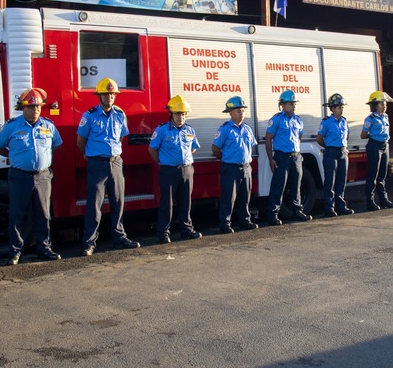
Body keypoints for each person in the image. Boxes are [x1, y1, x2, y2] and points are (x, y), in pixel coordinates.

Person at [0, 88, 62, 265]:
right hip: (20, 176)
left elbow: (56, 144)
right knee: (18, 215)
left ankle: (44, 249)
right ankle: (15, 252)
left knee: (44, 215)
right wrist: (14, 156)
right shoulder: (12, 126)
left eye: (38, 106)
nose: (35, 110)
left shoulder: (48, 125)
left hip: (43, 176)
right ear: (23, 108)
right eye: (31, 107)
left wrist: (43, 160)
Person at [77, 77, 140, 255]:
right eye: (106, 94)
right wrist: (89, 155)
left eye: (112, 94)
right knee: (94, 204)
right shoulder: (89, 115)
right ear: (99, 96)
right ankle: (89, 242)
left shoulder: (120, 114)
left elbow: (121, 137)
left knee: (118, 202)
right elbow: (81, 141)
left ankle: (119, 238)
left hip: (116, 162)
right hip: (97, 163)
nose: (109, 97)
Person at [149, 95, 202, 244]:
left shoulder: (190, 130)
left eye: (183, 114)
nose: (181, 117)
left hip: (187, 170)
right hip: (169, 171)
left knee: (186, 202)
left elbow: (193, 148)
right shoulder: (162, 130)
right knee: (166, 203)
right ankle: (163, 233)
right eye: (178, 114)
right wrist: (162, 163)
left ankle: (187, 230)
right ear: (171, 114)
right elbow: (152, 149)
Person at [265, 90, 312, 225]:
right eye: (291, 103)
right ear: (283, 105)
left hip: (295, 156)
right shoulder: (276, 119)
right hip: (282, 157)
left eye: (294, 103)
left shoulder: (298, 120)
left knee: (296, 185)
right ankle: (273, 214)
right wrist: (271, 158)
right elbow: (268, 139)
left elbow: (299, 137)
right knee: (278, 186)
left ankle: (297, 211)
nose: (293, 106)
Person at [212, 95, 258, 234]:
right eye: (238, 111)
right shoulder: (225, 129)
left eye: (242, 110)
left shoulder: (247, 129)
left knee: (245, 197)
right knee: (228, 198)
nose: (241, 113)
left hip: (246, 168)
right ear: (230, 113)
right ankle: (225, 224)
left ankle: (245, 221)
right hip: (230, 168)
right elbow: (215, 148)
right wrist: (227, 159)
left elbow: (251, 146)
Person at [317, 93, 354, 216]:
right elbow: (319, 139)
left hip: (342, 152)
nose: (341, 109)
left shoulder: (344, 121)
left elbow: (347, 136)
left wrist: (342, 147)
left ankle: (341, 206)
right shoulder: (326, 122)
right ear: (332, 109)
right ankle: (329, 207)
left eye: (342, 107)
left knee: (341, 181)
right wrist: (329, 147)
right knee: (330, 181)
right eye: (339, 107)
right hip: (331, 152)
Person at [361, 91, 393, 210]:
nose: (384, 106)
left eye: (385, 104)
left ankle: (383, 200)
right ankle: (370, 201)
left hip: (384, 146)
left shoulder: (385, 117)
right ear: (375, 105)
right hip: (374, 146)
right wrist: (374, 136)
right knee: (373, 174)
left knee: (382, 174)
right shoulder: (370, 119)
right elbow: (363, 135)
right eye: (382, 104)